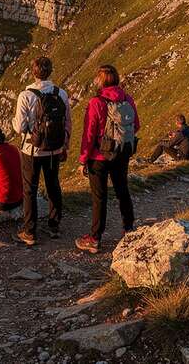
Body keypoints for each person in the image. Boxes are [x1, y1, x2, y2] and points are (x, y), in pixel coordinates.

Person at [75, 64, 139, 254]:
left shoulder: (97, 102)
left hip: (99, 156)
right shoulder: (127, 99)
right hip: (121, 152)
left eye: (97, 78)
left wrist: (82, 159)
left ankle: (95, 238)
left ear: (101, 81)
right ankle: (129, 229)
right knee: (122, 191)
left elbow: (89, 132)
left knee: (99, 197)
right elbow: (136, 125)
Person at [12, 56, 71, 246]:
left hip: (32, 150)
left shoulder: (26, 95)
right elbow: (67, 121)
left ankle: (29, 231)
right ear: (50, 71)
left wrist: (14, 124)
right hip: (54, 149)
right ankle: (54, 226)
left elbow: (20, 128)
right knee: (53, 185)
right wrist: (65, 145)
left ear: (33, 72)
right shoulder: (60, 93)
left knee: (30, 189)